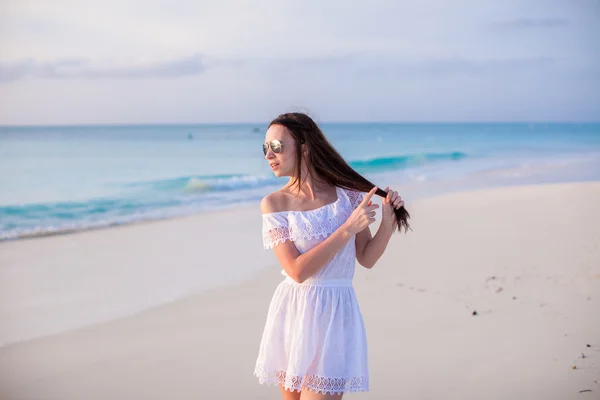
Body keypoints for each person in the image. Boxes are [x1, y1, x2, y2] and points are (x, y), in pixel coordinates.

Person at [254, 112, 410, 400]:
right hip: (294, 312)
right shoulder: (275, 203)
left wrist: (387, 222)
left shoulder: (347, 195)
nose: (268, 155)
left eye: (276, 146)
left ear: (304, 147)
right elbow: (296, 271)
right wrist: (347, 228)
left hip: (336, 313)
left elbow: (366, 257)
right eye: (265, 148)